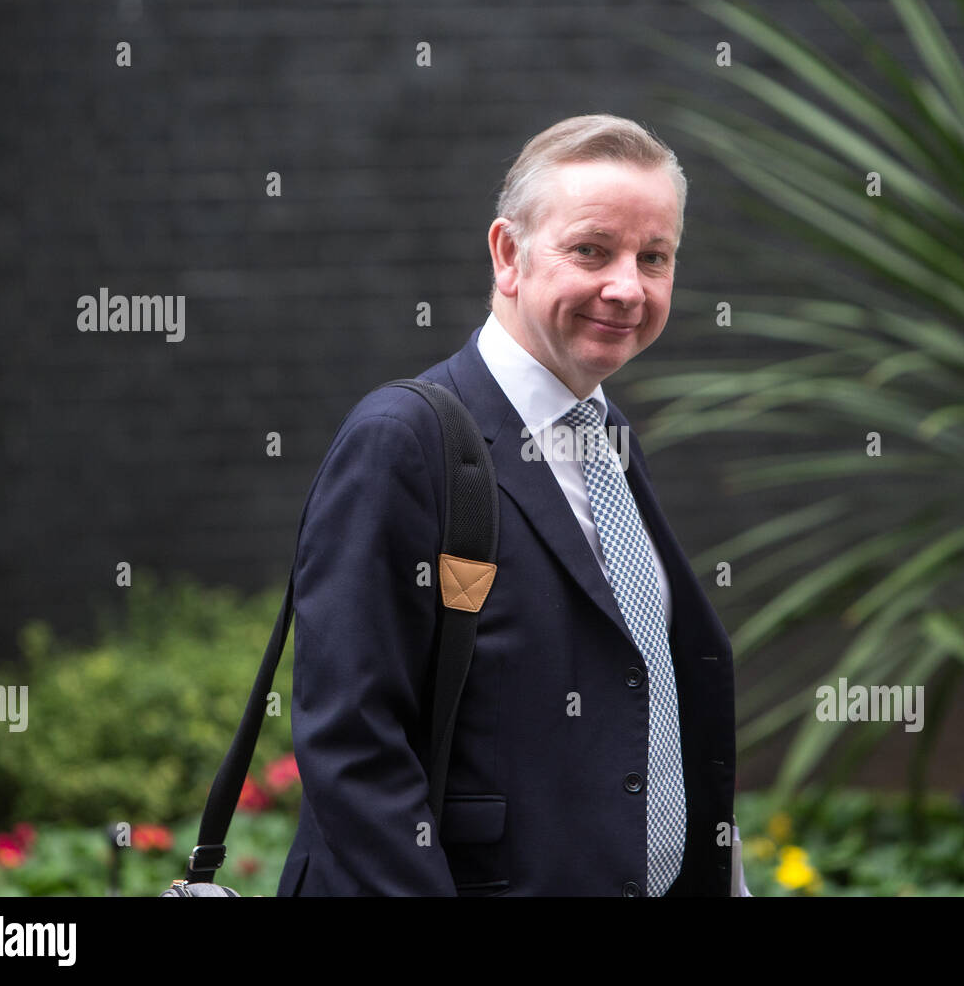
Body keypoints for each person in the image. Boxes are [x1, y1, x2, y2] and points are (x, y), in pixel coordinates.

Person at [278, 114, 748, 896]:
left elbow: (645, 688)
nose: (627, 286)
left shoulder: (607, 435)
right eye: (592, 249)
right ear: (508, 254)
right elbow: (352, 749)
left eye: (654, 257)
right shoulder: (402, 440)